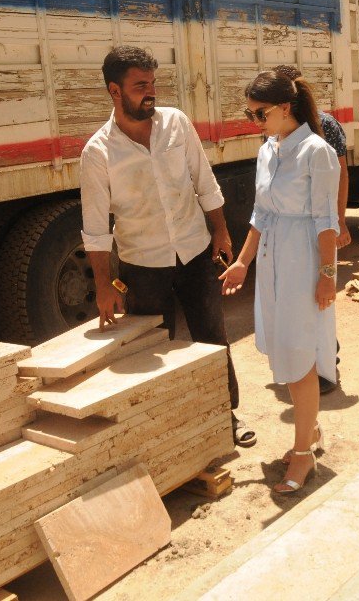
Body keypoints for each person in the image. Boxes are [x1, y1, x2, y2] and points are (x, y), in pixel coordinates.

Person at [80, 45, 256, 448]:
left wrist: (221, 233)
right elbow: (94, 227)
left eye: (153, 82)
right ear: (114, 90)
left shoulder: (176, 122)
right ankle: (166, 433)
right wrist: (104, 286)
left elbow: (204, 181)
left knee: (211, 338)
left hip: (195, 254)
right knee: (155, 348)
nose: (151, 92)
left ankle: (226, 417)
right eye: (140, 85)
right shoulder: (98, 153)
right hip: (143, 266)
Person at [219, 70, 339, 494]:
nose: (255, 121)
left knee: (299, 355)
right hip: (272, 260)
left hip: (303, 260)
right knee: (285, 351)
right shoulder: (267, 151)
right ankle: (311, 433)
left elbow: (328, 221)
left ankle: (303, 454)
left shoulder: (317, 152)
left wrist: (327, 277)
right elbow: (261, 214)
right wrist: (242, 263)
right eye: (250, 114)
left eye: (260, 113)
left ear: (285, 108)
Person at [272, 65, 347, 395]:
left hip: (316, 231)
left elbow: (340, 177)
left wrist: (339, 222)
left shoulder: (325, 127)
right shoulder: (278, 133)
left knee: (319, 299)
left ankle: (326, 366)